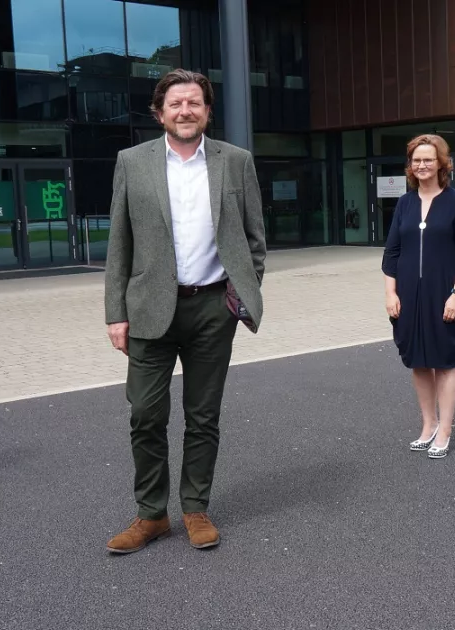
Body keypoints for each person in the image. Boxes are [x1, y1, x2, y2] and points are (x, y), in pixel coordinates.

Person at [103, 69, 266, 554]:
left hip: (213, 309)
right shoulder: (132, 162)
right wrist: (115, 312)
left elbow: (255, 239)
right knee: (146, 415)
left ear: (207, 110)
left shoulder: (235, 162)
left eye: (194, 102)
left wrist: (242, 291)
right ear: (160, 113)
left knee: (203, 416)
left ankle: (195, 507)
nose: (185, 111)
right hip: (150, 309)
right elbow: (119, 243)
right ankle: (151, 515)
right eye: (175, 104)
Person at [382, 135, 455, 460]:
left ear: (441, 163)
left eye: (428, 159)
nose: (422, 165)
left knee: (446, 363)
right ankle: (429, 425)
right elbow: (391, 252)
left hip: (445, 295)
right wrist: (390, 292)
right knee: (419, 363)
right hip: (409, 297)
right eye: (416, 160)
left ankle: (446, 430)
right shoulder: (405, 204)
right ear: (410, 166)